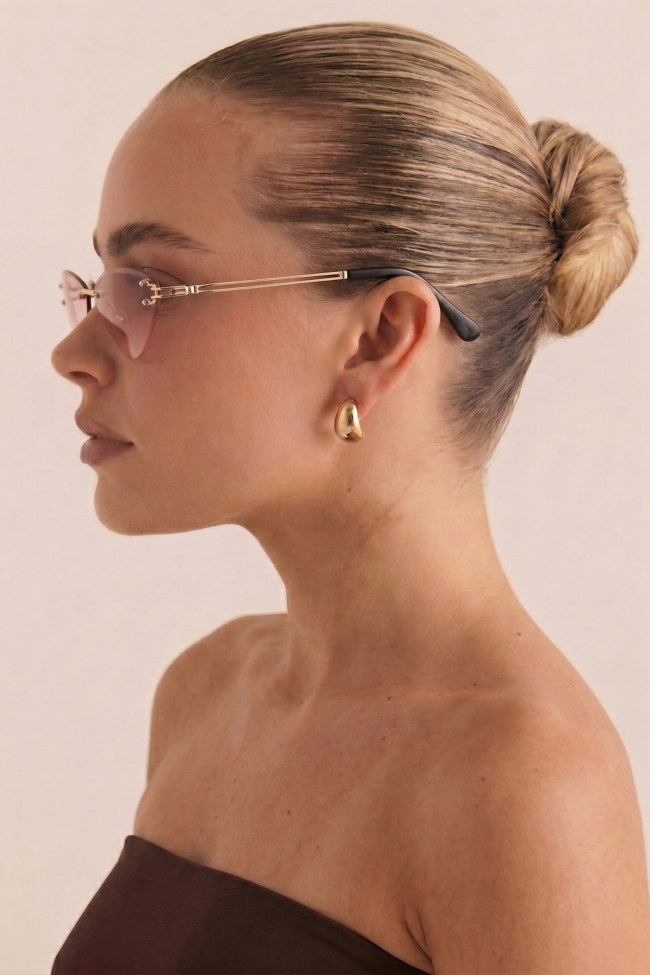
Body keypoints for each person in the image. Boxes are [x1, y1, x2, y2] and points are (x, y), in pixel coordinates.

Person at [50, 20, 650, 975]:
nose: (73, 352)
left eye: (149, 286)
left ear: (379, 338)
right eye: (96, 285)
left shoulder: (529, 790)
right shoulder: (207, 693)